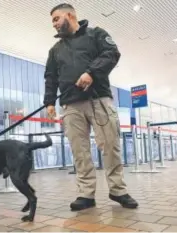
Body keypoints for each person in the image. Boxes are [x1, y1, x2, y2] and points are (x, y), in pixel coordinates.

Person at [44, 3, 138, 211]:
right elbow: (50, 77)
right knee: (80, 151)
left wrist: (91, 73)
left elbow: (111, 54)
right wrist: (49, 102)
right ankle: (86, 194)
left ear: (70, 15)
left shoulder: (96, 34)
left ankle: (118, 190)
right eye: (53, 21)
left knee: (110, 145)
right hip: (70, 105)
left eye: (56, 19)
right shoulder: (55, 50)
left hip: (98, 99)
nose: (54, 24)